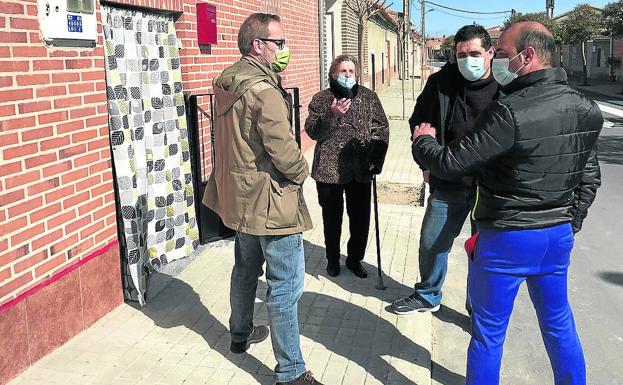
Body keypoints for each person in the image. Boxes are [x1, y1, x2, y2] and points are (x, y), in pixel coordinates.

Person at [411, 21, 602, 385]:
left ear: (527, 56)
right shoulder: (585, 107)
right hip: (556, 235)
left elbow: (453, 162)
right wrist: (569, 223)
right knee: (559, 325)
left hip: (507, 236)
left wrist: (424, 143)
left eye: (501, 53)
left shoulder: (509, 110)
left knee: (488, 333)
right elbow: (590, 177)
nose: (496, 60)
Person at [203, 13, 322, 385]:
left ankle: (240, 335)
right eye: (279, 43)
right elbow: (284, 151)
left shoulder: (226, 84)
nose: (284, 50)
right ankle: (291, 371)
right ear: (258, 45)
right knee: (286, 285)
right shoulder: (265, 92)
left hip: (240, 199)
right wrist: (304, 175)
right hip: (271, 202)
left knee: (245, 270)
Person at [391, 25, 499, 315]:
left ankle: (478, 308)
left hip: (491, 186)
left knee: (484, 253)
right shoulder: (440, 83)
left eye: (474, 53)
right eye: (461, 55)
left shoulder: (506, 86)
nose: (467, 60)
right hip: (448, 180)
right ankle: (428, 294)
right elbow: (419, 124)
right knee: (432, 241)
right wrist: (424, 163)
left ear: (490, 53)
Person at [305, 55, 389, 278]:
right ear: (333, 74)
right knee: (332, 219)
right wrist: (333, 116)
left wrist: (375, 158)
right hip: (329, 170)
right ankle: (332, 260)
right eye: (343, 71)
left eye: (351, 71)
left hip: (361, 168)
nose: (348, 75)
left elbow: (381, 128)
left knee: (360, 219)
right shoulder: (322, 99)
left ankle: (354, 259)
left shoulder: (369, 97)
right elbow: (313, 131)